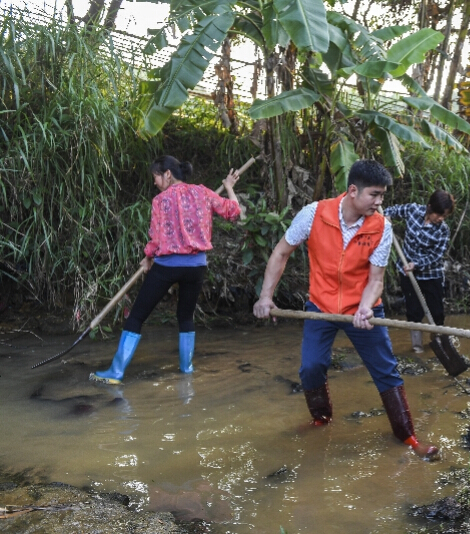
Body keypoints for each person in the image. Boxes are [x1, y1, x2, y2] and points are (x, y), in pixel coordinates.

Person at [252, 159, 438, 459]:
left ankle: (409, 438)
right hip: (321, 307)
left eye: (382, 195)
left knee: (386, 371)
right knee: (311, 367)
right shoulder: (313, 214)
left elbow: (376, 280)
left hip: (362, 310)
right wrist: (265, 297)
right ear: (353, 191)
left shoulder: (382, 227)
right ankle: (321, 420)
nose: (379, 202)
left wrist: (364, 308)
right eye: (374, 195)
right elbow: (281, 253)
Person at [90, 156, 241, 384]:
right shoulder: (203, 192)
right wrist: (229, 187)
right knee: (185, 317)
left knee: (137, 316)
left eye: (156, 177)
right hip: (196, 267)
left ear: (168, 174)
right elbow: (233, 212)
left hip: (168, 266)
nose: (155, 182)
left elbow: (156, 238)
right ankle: (187, 371)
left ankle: (116, 372)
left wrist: (148, 258)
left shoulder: (160, 200)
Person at [383, 190, 454, 353]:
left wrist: (417, 264)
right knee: (413, 311)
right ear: (430, 207)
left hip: (431, 275)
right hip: (407, 273)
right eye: (439, 214)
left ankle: (438, 343)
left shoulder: (443, 230)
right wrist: (387, 217)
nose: (441, 219)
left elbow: (436, 255)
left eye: (444, 216)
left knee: (436, 313)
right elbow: (390, 210)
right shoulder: (413, 210)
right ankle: (417, 348)